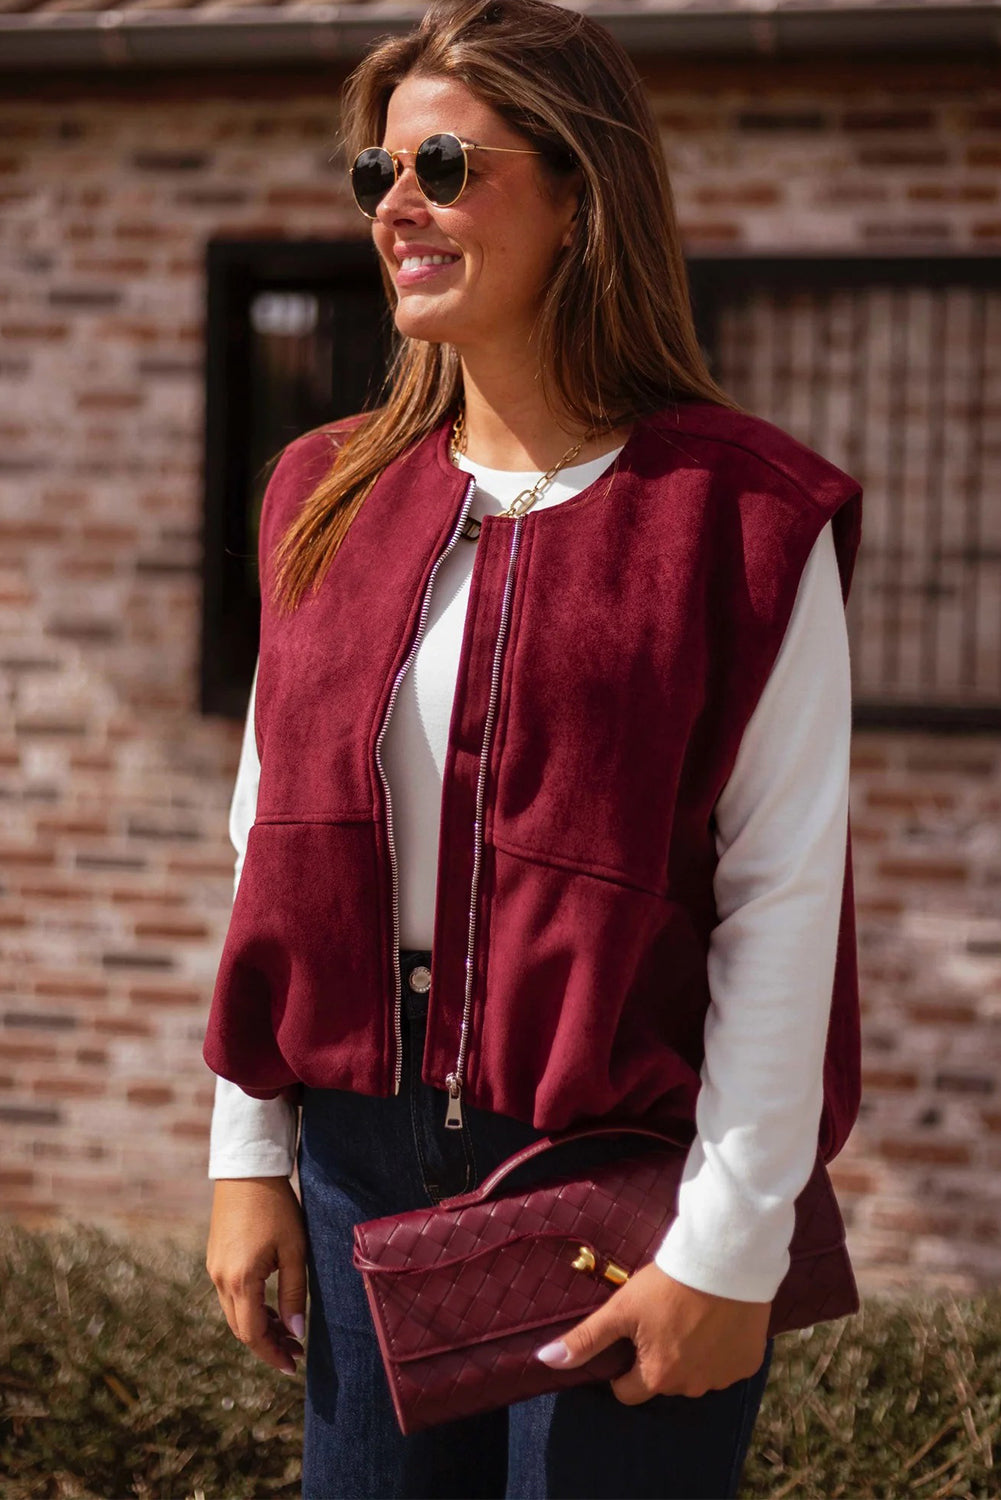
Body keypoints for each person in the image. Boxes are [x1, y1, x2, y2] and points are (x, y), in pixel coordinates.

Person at [203, 0, 864, 1495]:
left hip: (615, 1178)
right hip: (356, 1161)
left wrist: (727, 1247)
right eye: (375, 174)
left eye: (444, 165)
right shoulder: (320, 494)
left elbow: (783, 902)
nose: (398, 205)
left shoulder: (742, 520)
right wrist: (249, 1154)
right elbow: (268, 845)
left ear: (580, 193)